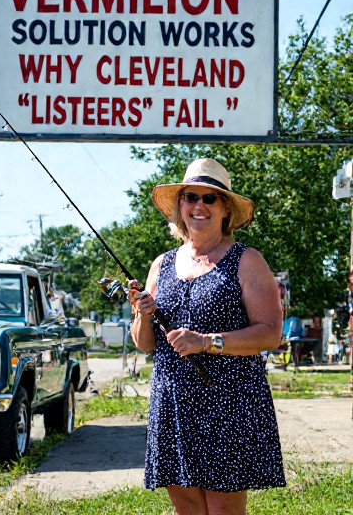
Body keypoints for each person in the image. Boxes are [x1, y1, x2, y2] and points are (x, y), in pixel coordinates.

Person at [130, 158, 286, 515]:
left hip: (228, 404)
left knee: (223, 509)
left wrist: (206, 341)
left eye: (210, 198)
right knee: (185, 507)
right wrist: (143, 313)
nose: (199, 206)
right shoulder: (161, 264)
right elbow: (145, 343)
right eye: (190, 197)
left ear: (225, 208)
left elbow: (270, 333)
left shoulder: (247, 261)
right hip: (172, 403)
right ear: (180, 206)